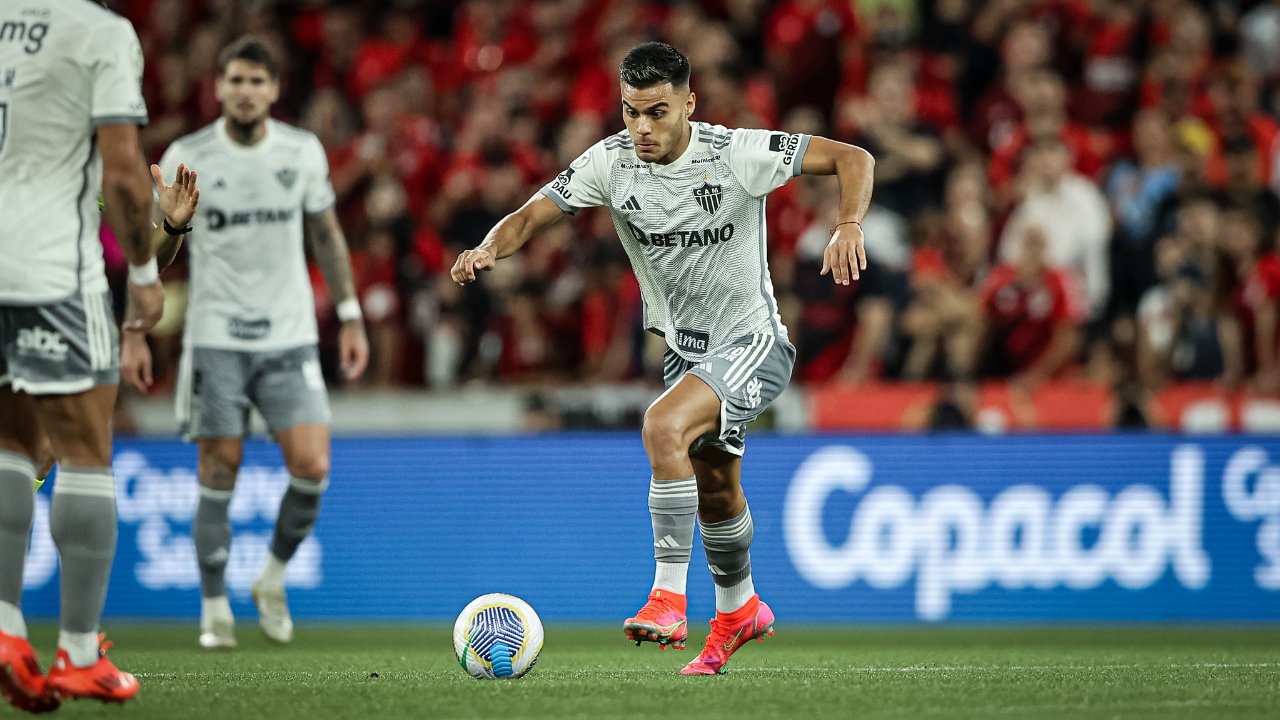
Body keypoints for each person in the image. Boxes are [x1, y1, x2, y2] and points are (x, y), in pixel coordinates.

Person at [451, 42, 874, 676]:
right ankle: (739, 609)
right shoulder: (610, 163)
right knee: (715, 490)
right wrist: (488, 248)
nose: (642, 127)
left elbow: (853, 157)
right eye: (630, 112)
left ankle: (668, 599)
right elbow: (533, 213)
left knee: (661, 425)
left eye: (656, 111)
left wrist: (848, 224)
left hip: (753, 343)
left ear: (688, 103)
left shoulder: (735, 154)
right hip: (687, 355)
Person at [137, 37, 369, 651]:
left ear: (273, 90)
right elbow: (154, 261)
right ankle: (214, 606)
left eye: (256, 82)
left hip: (289, 335)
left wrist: (349, 315)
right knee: (220, 468)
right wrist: (174, 223)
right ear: (218, 86)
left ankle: (271, 578)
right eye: (235, 80)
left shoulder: (301, 151)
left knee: (313, 465)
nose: (245, 91)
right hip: (216, 337)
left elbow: (326, 234)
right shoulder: (188, 155)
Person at [0, 0, 197, 709]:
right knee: (82, 447)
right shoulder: (99, 35)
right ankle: (79, 653)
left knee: (15, 448)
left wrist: (167, 227)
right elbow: (119, 187)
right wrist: (149, 276)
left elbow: (135, 224)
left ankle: (6, 630)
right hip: (49, 271)